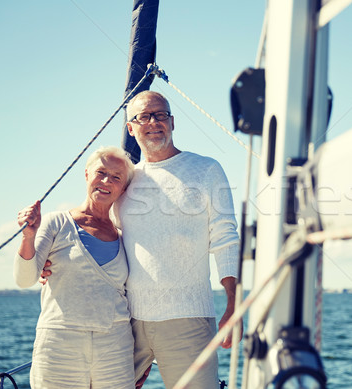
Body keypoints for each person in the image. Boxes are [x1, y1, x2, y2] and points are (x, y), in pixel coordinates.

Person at [113, 90, 241, 389]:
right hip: (126, 323)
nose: (153, 122)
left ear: (172, 121)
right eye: (143, 116)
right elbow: (105, 236)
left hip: (189, 320)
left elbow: (226, 240)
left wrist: (234, 305)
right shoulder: (124, 179)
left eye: (160, 114)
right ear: (131, 128)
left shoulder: (207, 169)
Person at [14, 146, 136, 388]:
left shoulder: (126, 236)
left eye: (116, 177)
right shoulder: (56, 222)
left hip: (115, 347)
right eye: (100, 172)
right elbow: (25, 279)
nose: (106, 181)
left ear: (123, 188)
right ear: (87, 174)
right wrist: (28, 236)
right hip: (59, 344)